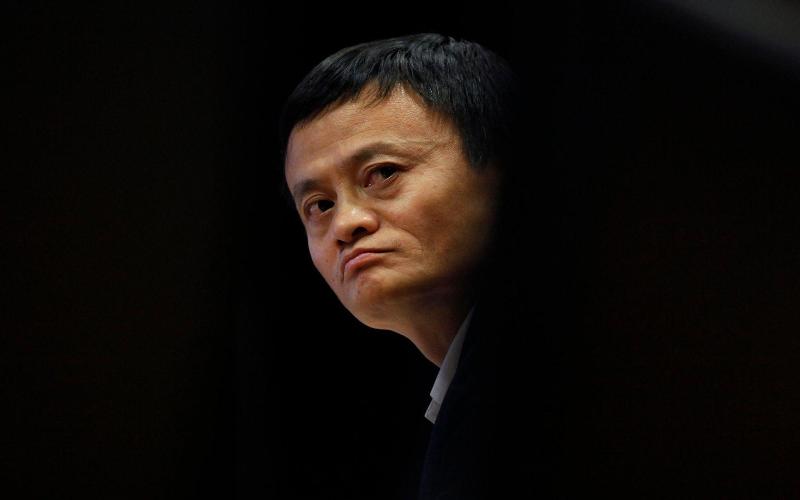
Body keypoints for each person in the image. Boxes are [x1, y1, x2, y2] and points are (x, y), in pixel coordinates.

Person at [279, 33, 548, 499]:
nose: (346, 223)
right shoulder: (468, 402)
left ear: (506, 169)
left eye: (383, 173)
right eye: (320, 205)